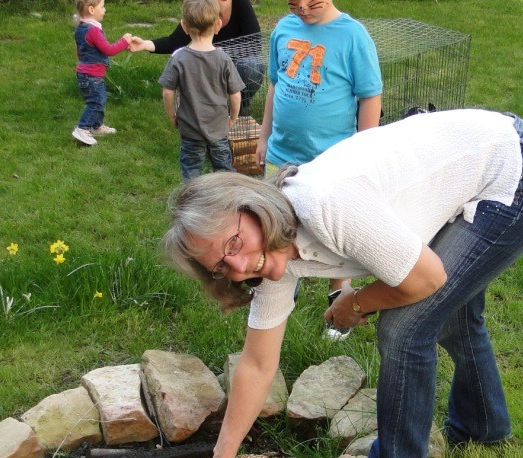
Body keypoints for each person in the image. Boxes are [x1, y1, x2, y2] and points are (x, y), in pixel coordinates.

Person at [162, 109, 523, 458]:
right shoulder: (271, 255)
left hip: (515, 167)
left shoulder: (325, 205)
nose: (241, 267)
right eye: (221, 267)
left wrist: (354, 305)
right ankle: (485, 426)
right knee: (452, 315)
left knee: (405, 327)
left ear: (254, 207)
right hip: (477, 163)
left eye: (233, 243)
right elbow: (257, 363)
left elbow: (425, 279)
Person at [258, 0, 383, 295]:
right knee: (276, 226)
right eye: (293, 2)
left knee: (335, 232)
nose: (301, 7)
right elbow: (274, 85)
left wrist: (364, 153)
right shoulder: (283, 28)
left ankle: (339, 296)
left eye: (311, 1)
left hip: (331, 161)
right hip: (281, 154)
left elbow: (370, 97)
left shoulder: (353, 36)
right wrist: (263, 137)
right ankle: (280, 291)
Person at [158, 0, 245, 180]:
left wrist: (172, 116)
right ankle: (224, 201)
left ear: (184, 26)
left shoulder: (179, 58)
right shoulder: (223, 58)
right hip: (218, 127)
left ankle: (191, 203)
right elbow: (236, 96)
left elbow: (168, 92)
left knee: (191, 172)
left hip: (189, 128)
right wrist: (233, 118)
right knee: (223, 170)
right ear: (218, 25)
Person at [129, 0, 263, 116]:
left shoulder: (241, 4)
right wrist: (145, 44)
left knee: (253, 66)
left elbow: (254, 42)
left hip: (234, 60)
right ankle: (203, 110)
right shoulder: (200, 7)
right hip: (205, 63)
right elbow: (174, 41)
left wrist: (221, 54)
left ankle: (241, 106)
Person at [72, 0, 132, 146]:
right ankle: (82, 128)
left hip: (86, 73)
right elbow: (108, 50)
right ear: (92, 10)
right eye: (102, 6)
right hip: (91, 76)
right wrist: (124, 41)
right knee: (96, 101)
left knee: (99, 99)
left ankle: (97, 126)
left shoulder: (81, 28)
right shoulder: (93, 30)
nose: (105, 10)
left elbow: (80, 51)